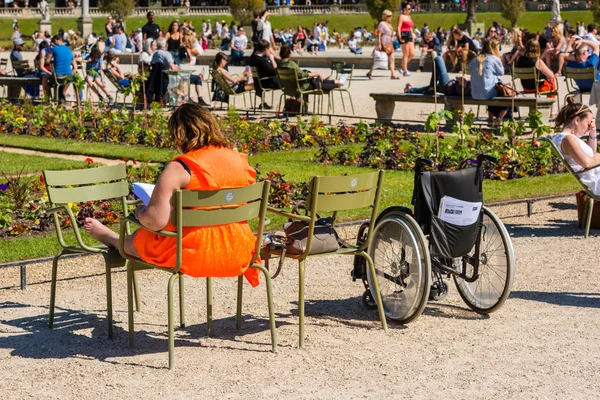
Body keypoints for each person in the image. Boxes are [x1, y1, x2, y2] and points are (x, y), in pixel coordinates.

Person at [84, 104, 262, 287]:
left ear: (178, 135)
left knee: (144, 237)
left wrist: (139, 211)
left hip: (193, 253)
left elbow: (156, 221)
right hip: (241, 250)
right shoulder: (240, 161)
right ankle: (115, 238)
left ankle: (114, 239)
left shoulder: (181, 168)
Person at [553, 97, 600, 195]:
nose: (588, 128)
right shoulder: (567, 139)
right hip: (596, 182)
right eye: (588, 124)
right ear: (577, 120)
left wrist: (592, 132)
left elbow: (591, 153)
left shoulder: (565, 138)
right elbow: (586, 163)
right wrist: (598, 157)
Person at [470, 38, 509, 125]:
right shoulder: (494, 58)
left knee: (490, 86)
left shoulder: (475, 59)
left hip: (475, 93)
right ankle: (499, 118)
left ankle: (490, 118)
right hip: (487, 93)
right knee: (504, 94)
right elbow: (501, 72)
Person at [516, 39, 558, 117]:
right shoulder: (537, 61)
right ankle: (553, 111)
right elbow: (551, 75)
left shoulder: (520, 59)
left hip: (526, 87)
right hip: (538, 87)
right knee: (552, 80)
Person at [278, 45, 345, 94]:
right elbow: (302, 75)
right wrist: (316, 73)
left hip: (288, 88)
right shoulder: (291, 64)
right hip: (299, 87)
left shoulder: (279, 65)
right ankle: (337, 84)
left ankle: (337, 81)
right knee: (318, 84)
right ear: (289, 54)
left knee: (316, 80)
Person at [249, 40, 281, 109]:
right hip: (266, 83)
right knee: (289, 82)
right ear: (266, 49)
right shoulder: (262, 61)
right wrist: (272, 60)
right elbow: (274, 72)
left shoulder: (252, 58)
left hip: (258, 82)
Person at [367, 10, 398, 80]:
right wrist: (379, 44)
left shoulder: (389, 25)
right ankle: (370, 72)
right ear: (385, 17)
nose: (391, 17)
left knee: (392, 58)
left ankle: (392, 74)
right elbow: (379, 34)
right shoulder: (382, 24)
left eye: (391, 16)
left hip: (389, 43)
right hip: (383, 42)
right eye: (389, 16)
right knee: (378, 58)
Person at [49, 34, 77, 101]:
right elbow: (75, 67)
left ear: (56, 40)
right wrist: (70, 75)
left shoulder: (55, 48)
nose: (53, 43)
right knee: (65, 81)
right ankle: (63, 94)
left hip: (58, 77)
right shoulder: (69, 50)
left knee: (48, 79)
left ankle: (54, 97)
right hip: (68, 78)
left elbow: (47, 60)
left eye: (53, 41)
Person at [397, 2, 415, 77]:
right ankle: (405, 70)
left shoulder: (409, 17)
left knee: (412, 53)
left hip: (409, 34)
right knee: (406, 53)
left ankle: (401, 66)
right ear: (404, 9)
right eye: (408, 8)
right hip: (403, 34)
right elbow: (398, 27)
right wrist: (400, 37)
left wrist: (412, 34)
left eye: (410, 8)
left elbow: (410, 27)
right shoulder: (401, 17)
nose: (409, 10)